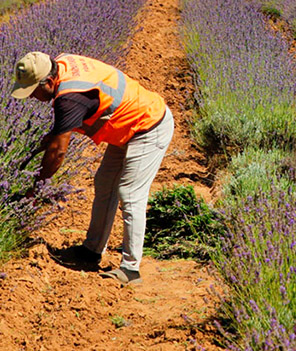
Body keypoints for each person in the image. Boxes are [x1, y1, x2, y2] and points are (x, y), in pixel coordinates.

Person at [10, 51, 174, 285]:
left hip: (148, 125)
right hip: (126, 125)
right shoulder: (62, 63)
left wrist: (34, 192)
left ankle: (130, 269)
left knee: (130, 194)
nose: (33, 97)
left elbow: (58, 153)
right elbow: (63, 131)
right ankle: (92, 250)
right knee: (104, 183)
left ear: (48, 82)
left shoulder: (70, 97)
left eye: (34, 90)